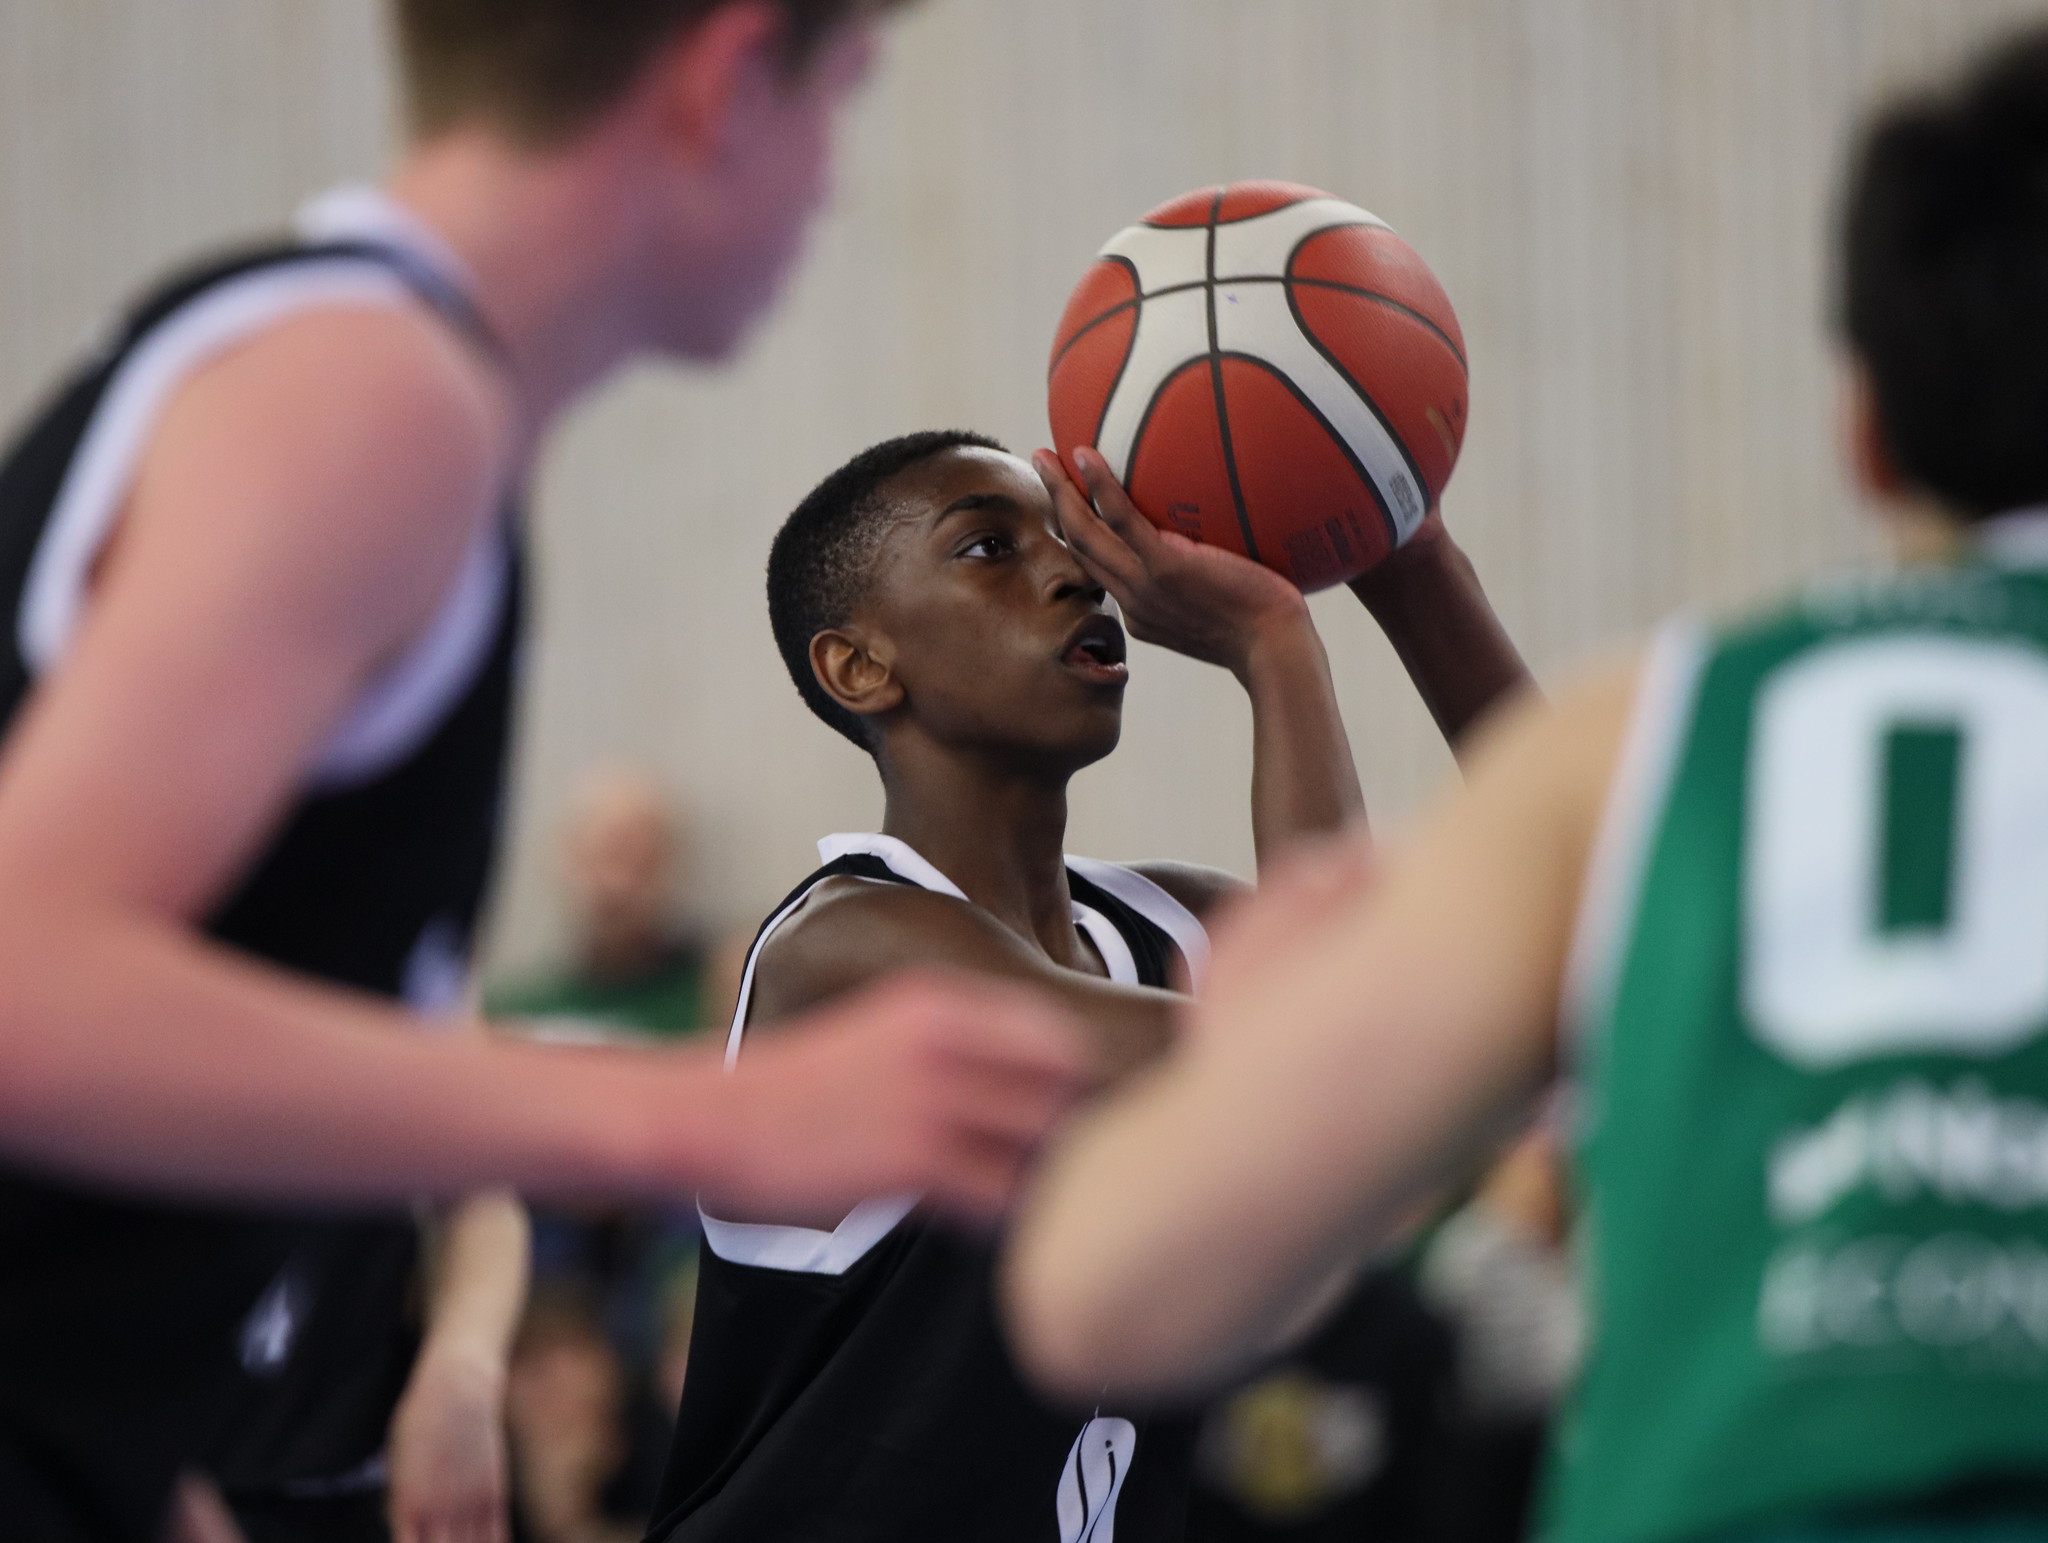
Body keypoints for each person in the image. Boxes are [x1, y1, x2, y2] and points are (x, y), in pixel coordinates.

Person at [0, 3, 1089, 1537]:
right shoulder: (370, 401)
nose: (834, 180)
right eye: (838, 95)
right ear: (720, 83)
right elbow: (27, 992)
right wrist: (703, 1115)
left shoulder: (341, 371)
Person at [1006, 24, 2048, 1543]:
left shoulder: (1661, 732)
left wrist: (1273, 1022)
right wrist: (1397, 547)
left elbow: (1097, 1292)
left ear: (1867, 437)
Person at [643, 430, 1529, 1540]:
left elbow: (1564, 898)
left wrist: (1408, 559)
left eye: (1069, 538)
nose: (1071, 570)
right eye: (985, 548)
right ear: (858, 666)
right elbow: (1315, 1044)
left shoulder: (1165, 928)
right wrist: (1274, 642)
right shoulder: (844, 947)